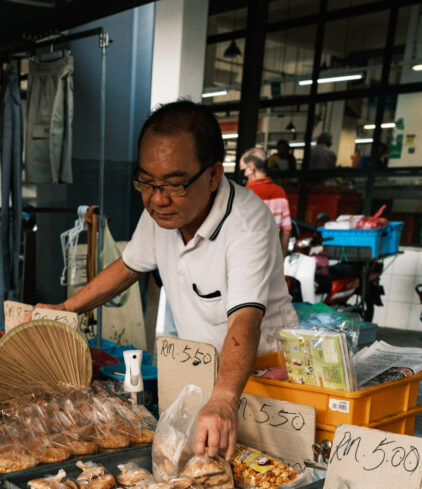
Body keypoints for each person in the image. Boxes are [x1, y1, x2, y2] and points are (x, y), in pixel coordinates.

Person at [35, 100, 296, 459]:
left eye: (174, 184)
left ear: (214, 174)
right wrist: (66, 309)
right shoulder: (161, 215)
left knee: (262, 472)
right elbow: (128, 267)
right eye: (146, 182)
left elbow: (245, 319)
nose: (157, 199)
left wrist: (223, 398)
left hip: (262, 381)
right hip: (206, 374)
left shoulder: (247, 224)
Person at [240, 147, 292, 256]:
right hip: (272, 260)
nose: (244, 174)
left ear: (251, 167)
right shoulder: (280, 193)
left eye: (244, 170)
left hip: (249, 260)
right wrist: (281, 258)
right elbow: (286, 231)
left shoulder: (245, 195)